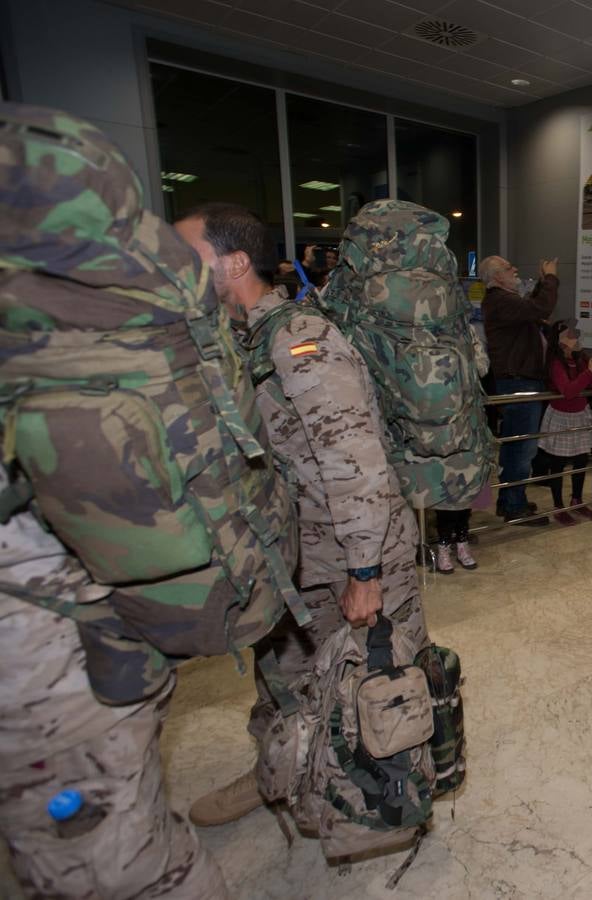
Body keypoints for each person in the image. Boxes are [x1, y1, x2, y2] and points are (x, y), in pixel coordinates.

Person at [0, 104, 228, 899]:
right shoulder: (133, 294)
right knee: (124, 837)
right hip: (111, 625)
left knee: (107, 865)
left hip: (47, 651)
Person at [174, 203, 428, 829]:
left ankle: (391, 796)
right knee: (283, 680)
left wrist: (365, 571)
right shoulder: (233, 341)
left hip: (353, 556)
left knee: (378, 684)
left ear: (234, 263)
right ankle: (278, 774)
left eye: (186, 257)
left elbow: (355, 458)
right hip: (289, 557)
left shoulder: (299, 340)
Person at [482, 254, 560, 525]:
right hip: (519, 382)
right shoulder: (500, 300)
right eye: (508, 267)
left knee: (518, 446)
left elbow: (532, 307)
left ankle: (511, 500)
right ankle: (514, 506)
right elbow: (540, 309)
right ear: (496, 278)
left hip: (522, 380)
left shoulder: (505, 302)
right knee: (522, 448)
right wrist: (550, 279)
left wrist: (540, 283)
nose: (514, 268)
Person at [428, 326, 492, 572]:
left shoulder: (468, 332)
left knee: (468, 486)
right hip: (441, 424)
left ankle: (462, 540)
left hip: (470, 422)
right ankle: (443, 545)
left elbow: (483, 367)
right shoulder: (427, 333)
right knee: (446, 487)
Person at [536, 319, 592, 524]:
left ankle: (576, 500)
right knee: (558, 464)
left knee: (580, 461)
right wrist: (590, 370)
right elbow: (568, 391)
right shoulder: (555, 363)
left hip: (580, 414)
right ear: (559, 340)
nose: (576, 338)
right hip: (561, 416)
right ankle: (558, 506)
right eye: (570, 335)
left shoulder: (580, 359)